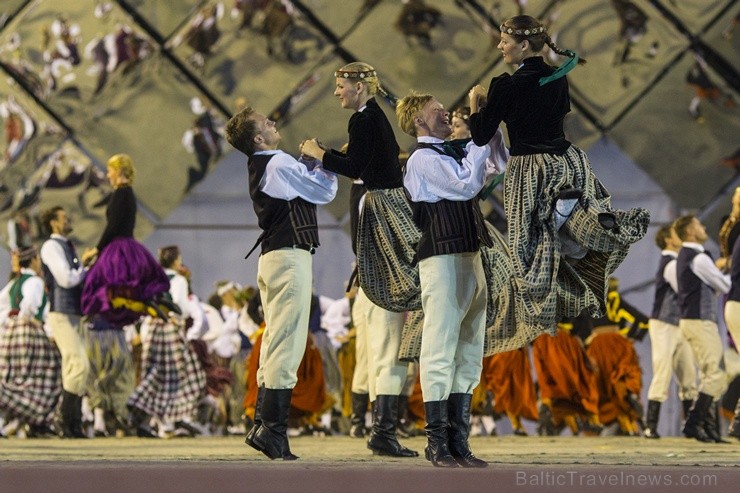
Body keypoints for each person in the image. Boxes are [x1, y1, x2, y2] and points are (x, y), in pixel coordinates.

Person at [468, 15, 649, 341]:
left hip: (529, 167)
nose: (499, 46)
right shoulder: (558, 78)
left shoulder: (505, 85)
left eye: (504, 41)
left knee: (526, 246)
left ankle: (560, 225)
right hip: (566, 161)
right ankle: (575, 218)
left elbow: (481, 135)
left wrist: (475, 105)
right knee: (569, 244)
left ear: (523, 46)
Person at [300, 62, 420, 458]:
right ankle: (383, 428)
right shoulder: (371, 120)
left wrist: (319, 153)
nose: (336, 92)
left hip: (380, 226)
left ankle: (381, 430)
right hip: (382, 226)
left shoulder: (364, 122)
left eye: (340, 86)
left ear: (361, 88)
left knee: (384, 340)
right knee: (383, 341)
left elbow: (354, 168)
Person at [224, 106, 337, 460]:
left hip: (275, 257)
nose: (274, 123)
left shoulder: (265, 165)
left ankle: (263, 425)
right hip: (289, 256)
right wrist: (322, 161)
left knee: (275, 340)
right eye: (267, 123)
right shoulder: (276, 162)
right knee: (287, 342)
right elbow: (323, 193)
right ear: (259, 139)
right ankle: (272, 431)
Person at [396, 91, 498, 467]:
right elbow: (467, 185)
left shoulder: (452, 151)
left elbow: (494, 163)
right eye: (435, 111)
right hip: (440, 258)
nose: (444, 113)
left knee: (469, 349)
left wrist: (484, 121)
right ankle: (436, 442)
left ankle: (459, 441)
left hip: (468, 255)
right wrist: (477, 130)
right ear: (419, 122)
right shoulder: (423, 159)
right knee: (439, 347)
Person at [80, 154, 172, 327]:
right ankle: (146, 303)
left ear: (118, 171)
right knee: (122, 285)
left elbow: (113, 226)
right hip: (129, 245)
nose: (107, 175)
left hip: (118, 246)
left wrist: (97, 249)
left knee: (101, 280)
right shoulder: (128, 193)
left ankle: (102, 318)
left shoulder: (121, 193)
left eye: (109, 171)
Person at [39, 206, 94, 438]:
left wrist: (84, 265)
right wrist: (85, 269)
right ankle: (63, 418)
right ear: (53, 222)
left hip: (73, 313)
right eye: (64, 217)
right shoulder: (51, 246)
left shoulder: (66, 246)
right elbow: (66, 278)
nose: (69, 219)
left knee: (76, 368)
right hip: (61, 313)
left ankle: (73, 423)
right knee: (78, 364)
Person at [674, 215, 730, 443]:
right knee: (717, 373)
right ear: (690, 232)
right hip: (700, 321)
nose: (703, 227)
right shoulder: (697, 258)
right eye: (698, 224)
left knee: (709, 375)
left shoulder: (687, 257)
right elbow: (724, 285)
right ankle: (693, 422)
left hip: (693, 321)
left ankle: (708, 429)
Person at [0, 246, 61, 437]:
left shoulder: (14, 283)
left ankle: (11, 422)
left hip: (9, 332)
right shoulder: (34, 281)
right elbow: (30, 306)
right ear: (34, 260)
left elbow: (2, 306)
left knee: (13, 378)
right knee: (45, 376)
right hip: (28, 333)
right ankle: (37, 421)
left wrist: (8, 322)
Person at [644, 224, 697, 439]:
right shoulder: (669, 263)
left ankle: (690, 424)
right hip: (664, 325)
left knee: (688, 374)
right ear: (668, 240)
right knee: (663, 370)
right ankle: (650, 425)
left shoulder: (676, 263)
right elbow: (683, 289)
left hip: (679, 324)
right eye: (676, 234)